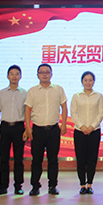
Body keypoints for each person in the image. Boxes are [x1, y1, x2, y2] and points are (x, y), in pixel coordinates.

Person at [24, 64, 68, 196]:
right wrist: (28, 127)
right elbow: (27, 109)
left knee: (53, 160)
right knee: (36, 160)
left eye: (47, 72)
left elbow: (64, 106)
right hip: (37, 130)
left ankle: (52, 186)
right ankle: (35, 186)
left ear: (51, 74)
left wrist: (64, 124)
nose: (44, 74)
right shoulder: (32, 91)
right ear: (37, 75)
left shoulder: (58, 89)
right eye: (41, 72)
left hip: (53, 129)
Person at [0, 65, 27, 196]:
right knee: (4, 159)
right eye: (11, 74)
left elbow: (28, 112)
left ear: (20, 76)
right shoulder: (1, 93)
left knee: (19, 159)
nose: (14, 76)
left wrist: (26, 129)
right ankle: (3, 187)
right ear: (7, 76)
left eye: (16, 74)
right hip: (4, 127)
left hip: (19, 127)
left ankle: (18, 186)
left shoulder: (25, 93)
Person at [71, 71, 103, 195]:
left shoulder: (99, 96)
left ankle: (90, 184)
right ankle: (82, 185)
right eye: (85, 80)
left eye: (90, 80)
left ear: (93, 82)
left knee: (92, 159)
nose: (88, 82)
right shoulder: (76, 96)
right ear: (82, 81)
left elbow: (101, 113)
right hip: (79, 131)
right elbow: (73, 113)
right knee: (81, 159)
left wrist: (91, 127)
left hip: (94, 131)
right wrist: (82, 126)